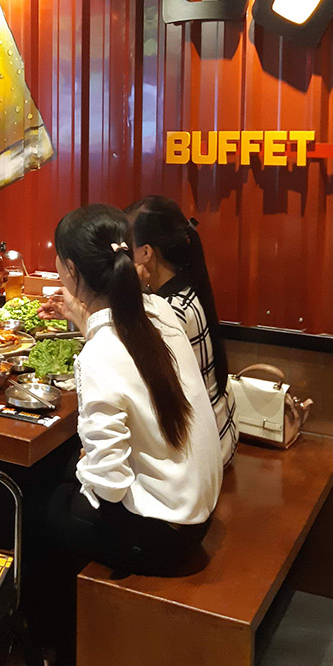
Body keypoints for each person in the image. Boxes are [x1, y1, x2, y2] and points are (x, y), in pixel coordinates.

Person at [43, 203, 222, 577]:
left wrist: (86, 468)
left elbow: (108, 485)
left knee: (47, 503)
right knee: (68, 468)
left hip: (164, 536)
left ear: (71, 269)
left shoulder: (100, 354)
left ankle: (56, 614)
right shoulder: (159, 310)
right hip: (196, 511)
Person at [125, 195, 238, 467]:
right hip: (221, 433)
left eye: (126, 247)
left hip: (200, 454)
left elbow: (135, 386)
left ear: (146, 253)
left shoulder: (168, 312)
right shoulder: (187, 289)